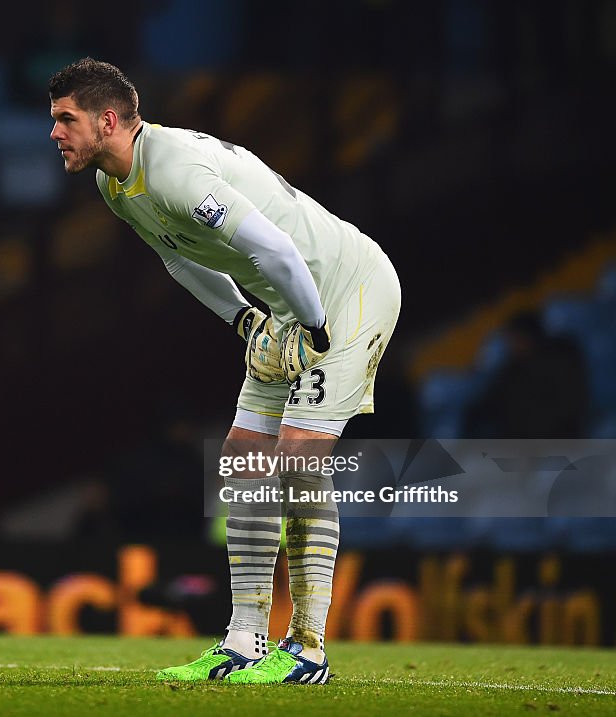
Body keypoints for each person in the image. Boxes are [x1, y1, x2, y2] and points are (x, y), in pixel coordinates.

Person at [48, 58, 401, 684]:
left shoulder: (176, 172)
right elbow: (180, 260)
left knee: (295, 457)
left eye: (65, 119)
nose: (55, 133)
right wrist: (245, 322)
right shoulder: (114, 184)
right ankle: (244, 640)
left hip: (347, 291)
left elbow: (275, 248)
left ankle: (310, 651)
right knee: (243, 455)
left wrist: (314, 328)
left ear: (107, 121)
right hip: (287, 305)